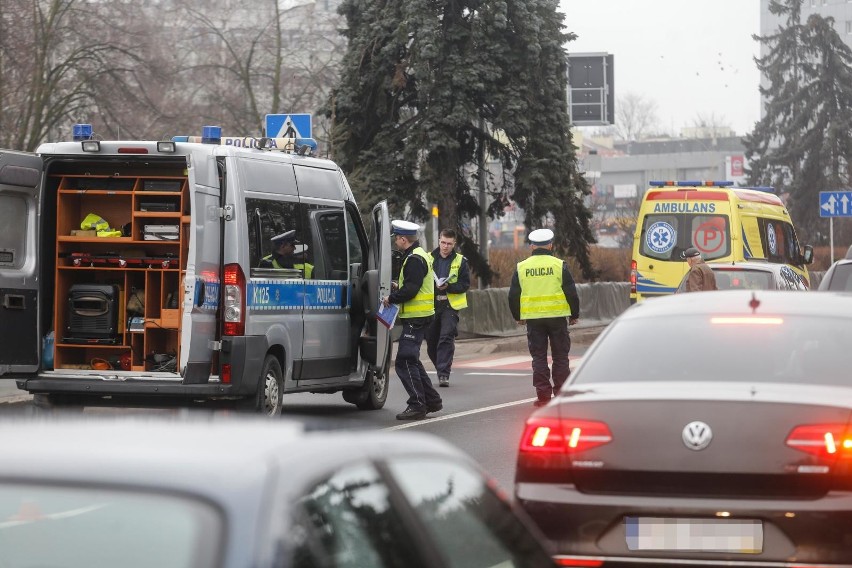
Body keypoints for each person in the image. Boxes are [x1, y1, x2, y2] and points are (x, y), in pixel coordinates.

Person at [508, 228, 580, 407]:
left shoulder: (522, 267)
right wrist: (574, 314)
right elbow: (571, 292)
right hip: (557, 318)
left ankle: (543, 396)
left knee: (539, 357)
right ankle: (562, 394)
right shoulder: (558, 265)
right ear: (551, 245)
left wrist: (518, 316)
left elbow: (513, 295)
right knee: (560, 357)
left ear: (531, 246)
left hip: (533, 319)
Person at [382, 220, 443, 420]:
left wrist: (391, 298)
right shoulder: (417, 255)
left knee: (405, 360)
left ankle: (417, 404)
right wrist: (398, 286)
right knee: (412, 359)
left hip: (417, 317)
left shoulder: (415, 259)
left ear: (403, 239)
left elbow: (412, 289)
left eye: (396, 239)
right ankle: (431, 400)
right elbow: (412, 284)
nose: (395, 242)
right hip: (420, 316)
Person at [426, 229, 470, 387]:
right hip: (432, 304)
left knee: (446, 337)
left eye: (449, 244)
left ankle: (444, 374)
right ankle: (440, 367)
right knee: (431, 340)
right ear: (439, 240)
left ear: (454, 244)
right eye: (443, 242)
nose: (445, 246)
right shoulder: (428, 258)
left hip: (450, 305)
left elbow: (464, 285)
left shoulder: (461, 261)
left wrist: (449, 287)